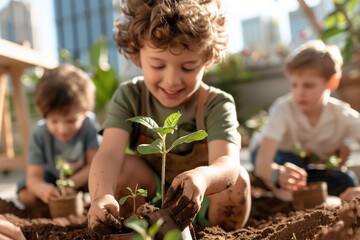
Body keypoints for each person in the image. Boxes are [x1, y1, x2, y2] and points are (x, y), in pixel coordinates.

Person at [87, 0, 251, 232]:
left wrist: (203, 178)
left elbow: (228, 164)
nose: (172, 80)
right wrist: (100, 197)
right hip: (147, 199)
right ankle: (139, 226)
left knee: (238, 183)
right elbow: (109, 154)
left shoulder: (216, 104)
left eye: (188, 67)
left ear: (207, 60)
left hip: (203, 204)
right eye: (157, 65)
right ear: (136, 53)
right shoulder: (130, 96)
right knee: (122, 169)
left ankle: (214, 233)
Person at [250, 40, 360, 201]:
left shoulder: (342, 116)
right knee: (292, 162)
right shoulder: (283, 109)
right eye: (294, 85)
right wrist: (276, 174)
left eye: (308, 86)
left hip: (305, 166)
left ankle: (292, 191)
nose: (299, 92)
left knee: (346, 180)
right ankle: (272, 184)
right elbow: (263, 160)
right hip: (272, 159)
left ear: (331, 82)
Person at [17, 64, 100, 209]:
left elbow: (94, 164)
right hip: (52, 180)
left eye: (71, 120)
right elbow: (33, 177)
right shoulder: (39, 133)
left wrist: (71, 184)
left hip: (84, 178)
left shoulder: (89, 125)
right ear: (44, 115)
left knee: (103, 182)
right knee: (26, 195)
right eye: (54, 121)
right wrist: (42, 189)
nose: (63, 129)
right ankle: (49, 207)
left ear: (84, 112)